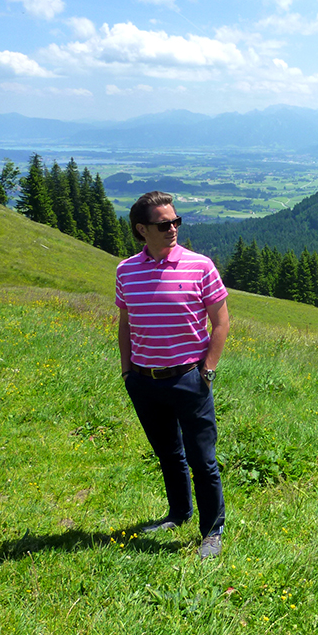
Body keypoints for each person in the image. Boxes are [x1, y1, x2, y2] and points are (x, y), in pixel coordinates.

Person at [115, 191, 230, 559]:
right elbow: (126, 323)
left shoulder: (200, 265)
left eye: (176, 221)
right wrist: (127, 371)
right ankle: (179, 513)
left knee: (202, 459)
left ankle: (212, 531)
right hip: (144, 380)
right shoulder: (125, 271)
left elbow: (222, 321)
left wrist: (207, 371)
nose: (173, 229)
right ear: (142, 229)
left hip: (188, 378)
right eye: (164, 224)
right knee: (168, 453)